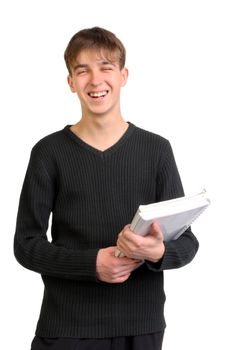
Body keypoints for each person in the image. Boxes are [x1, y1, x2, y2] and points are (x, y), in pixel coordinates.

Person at [14, 27, 199, 350]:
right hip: (67, 329)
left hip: (141, 329)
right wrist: (91, 265)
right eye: (82, 70)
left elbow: (187, 244)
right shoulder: (49, 152)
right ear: (71, 82)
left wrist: (156, 252)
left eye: (105, 67)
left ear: (123, 75)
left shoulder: (156, 150)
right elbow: (26, 245)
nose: (95, 80)